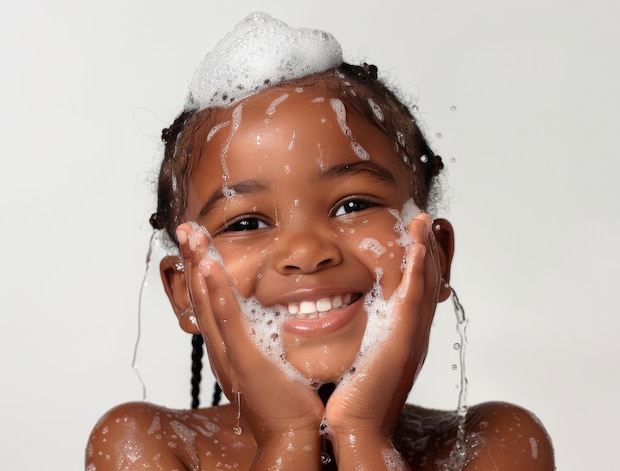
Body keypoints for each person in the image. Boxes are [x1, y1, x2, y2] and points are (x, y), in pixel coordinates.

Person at [86, 12, 554, 470]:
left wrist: (362, 434)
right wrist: (288, 437)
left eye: (353, 205)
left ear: (438, 255)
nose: (307, 252)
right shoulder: (142, 445)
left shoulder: (494, 445)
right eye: (246, 223)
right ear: (184, 291)